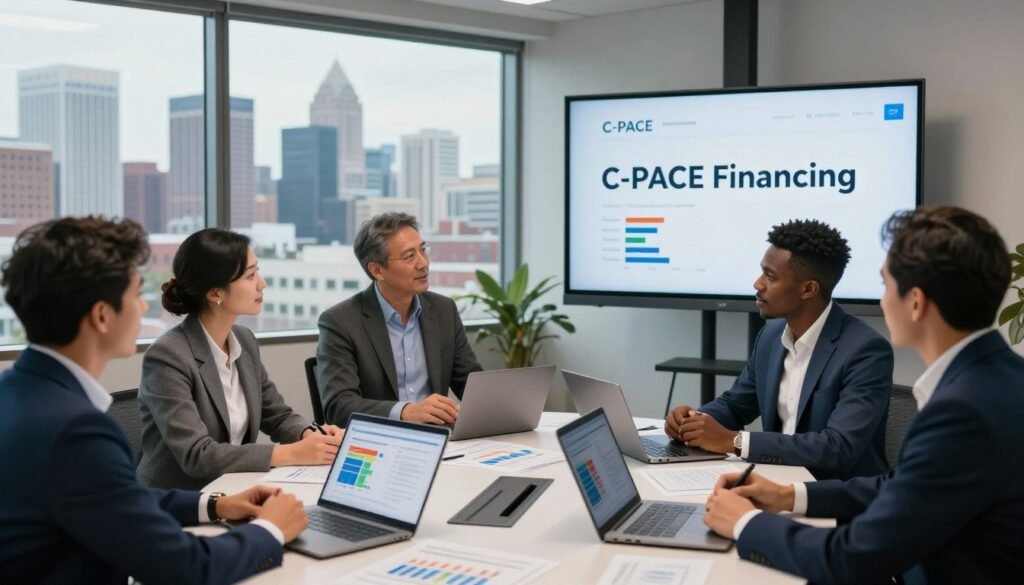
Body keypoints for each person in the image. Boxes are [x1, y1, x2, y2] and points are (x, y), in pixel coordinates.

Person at [704, 206, 1024, 584]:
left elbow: (854, 557)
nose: (883, 301)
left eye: (885, 285)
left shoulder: (962, 411)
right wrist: (788, 495)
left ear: (916, 302)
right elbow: (899, 486)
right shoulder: (997, 379)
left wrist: (745, 523)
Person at [0, 217, 307, 584]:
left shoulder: (16, 392)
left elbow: (116, 499)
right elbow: (186, 568)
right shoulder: (75, 430)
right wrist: (271, 529)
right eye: (135, 295)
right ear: (102, 316)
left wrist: (216, 504)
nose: (144, 309)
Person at [664, 219, 894, 480]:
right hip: (776, 481)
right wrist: (693, 421)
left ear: (808, 289)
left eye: (770, 276)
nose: (757, 284)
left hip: (836, 493)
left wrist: (735, 442)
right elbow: (735, 406)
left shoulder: (865, 351)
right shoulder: (771, 336)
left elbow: (838, 448)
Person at [138, 228, 342, 490]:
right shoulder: (168, 356)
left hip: (233, 488)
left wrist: (312, 435)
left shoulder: (244, 340)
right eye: (250, 275)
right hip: (178, 500)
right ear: (215, 293)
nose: (262, 284)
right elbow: (197, 455)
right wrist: (292, 453)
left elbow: (277, 416)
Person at [317, 212, 482, 425]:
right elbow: (339, 406)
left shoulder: (443, 310)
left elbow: (472, 386)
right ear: (377, 270)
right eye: (409, 256)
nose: (423, 263)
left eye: (423, 250)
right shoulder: (341, 322)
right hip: (379, 439)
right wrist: (405, 411)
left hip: (440, 436)